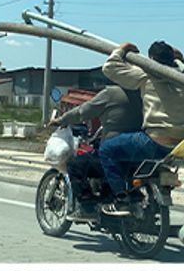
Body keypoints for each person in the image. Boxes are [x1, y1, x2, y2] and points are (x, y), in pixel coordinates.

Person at [97, 40, 184, 215]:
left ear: (151, 59)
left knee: (106, 149)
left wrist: (121, 50)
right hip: (182, 146)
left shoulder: (148, 75)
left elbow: (110, 68)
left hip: (155, 142)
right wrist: (181, 60)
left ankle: (121, 199)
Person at [47, 85, 142, 220]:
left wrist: (62, 120)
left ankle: (87, 207)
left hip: (115, 151)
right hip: (139, 154)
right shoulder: (144, 95)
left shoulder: (111, 93)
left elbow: (83, 111)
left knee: (75, 164)